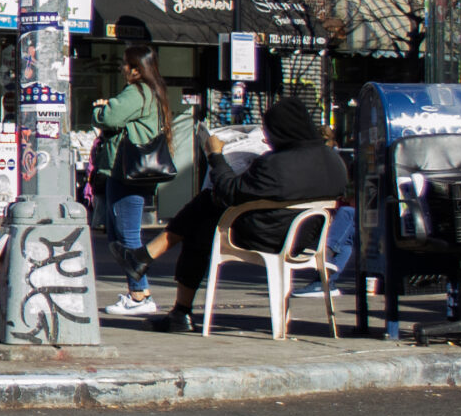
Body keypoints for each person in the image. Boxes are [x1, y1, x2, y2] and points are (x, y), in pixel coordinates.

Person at [144, 96, 350, 333]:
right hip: (308, 238)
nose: (266, 138)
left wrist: (216, 156)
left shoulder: (276, 164)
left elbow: (229, 194)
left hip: (270, 237)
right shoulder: (334, 161)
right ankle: (149, 263)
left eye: (270, 132)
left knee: (202, 220)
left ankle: (178, 307)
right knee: (204, 215)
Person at [92, 43, 171, 317]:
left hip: (127, 171)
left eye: (126, 63)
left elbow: (110, 116)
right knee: (119, 234)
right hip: (130, 171)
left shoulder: (137, 91)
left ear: (136, 68)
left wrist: (100, 110)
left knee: (126, 234)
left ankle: (140, 295)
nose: (122, 67)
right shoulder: (151, 91)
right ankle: (138, 292)